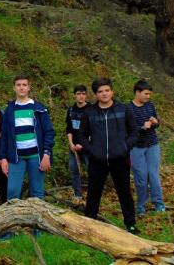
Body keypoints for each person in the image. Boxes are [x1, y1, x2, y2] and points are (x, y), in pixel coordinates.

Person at [76, 77, 139, 234]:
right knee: (94, 192)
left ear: (112, 91)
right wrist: (92, 150)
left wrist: (124, 147)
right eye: (100, 91)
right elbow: (81, 135)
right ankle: (89, 224)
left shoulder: (124, 109)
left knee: (124, 192)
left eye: (107, 90)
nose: (104, 94)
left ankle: (130, 225)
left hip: (120, 159)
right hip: (98, 160)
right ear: (96, 94)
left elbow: (134, 132)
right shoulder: (89, 113)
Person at [0, 75, 55, 201]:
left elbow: (49, 132)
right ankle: (15, 219)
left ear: (29, 88)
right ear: (14, 88)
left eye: (24, 85)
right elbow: (4, 136)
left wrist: (46, 154)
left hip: (36, 156)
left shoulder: (39, 108)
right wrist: (3, 158)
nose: (21, 88)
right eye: (18, 85)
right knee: (12, 193)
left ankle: (38, 219)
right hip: (16, 157)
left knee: (37, 193)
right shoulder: (9, 109)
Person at [128, 80, 164, 215]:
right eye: (146, 94)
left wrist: (156, 122)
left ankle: (159, 204)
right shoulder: (128, 109)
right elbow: (128, 130)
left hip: (152, 145)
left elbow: (156, 123)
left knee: (153, 175)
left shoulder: (150, 105)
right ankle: (141, 206)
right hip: (136, 147)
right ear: (137, 92)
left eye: (149, 94)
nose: (148, 96)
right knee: (141, 177)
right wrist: (142, 128)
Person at [65, 85, 90, 205]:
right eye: (79, 94)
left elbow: (95, 130)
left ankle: (93, 196)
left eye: (83, 94)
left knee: (93, 171)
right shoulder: (71, 110)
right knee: (74, 171)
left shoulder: (91, 109)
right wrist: (71, 143)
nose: (81, 96)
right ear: (74, 95)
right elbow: (69, 129)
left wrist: (84, 144)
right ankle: (77, 195)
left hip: (88, 147)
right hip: (73, 148)